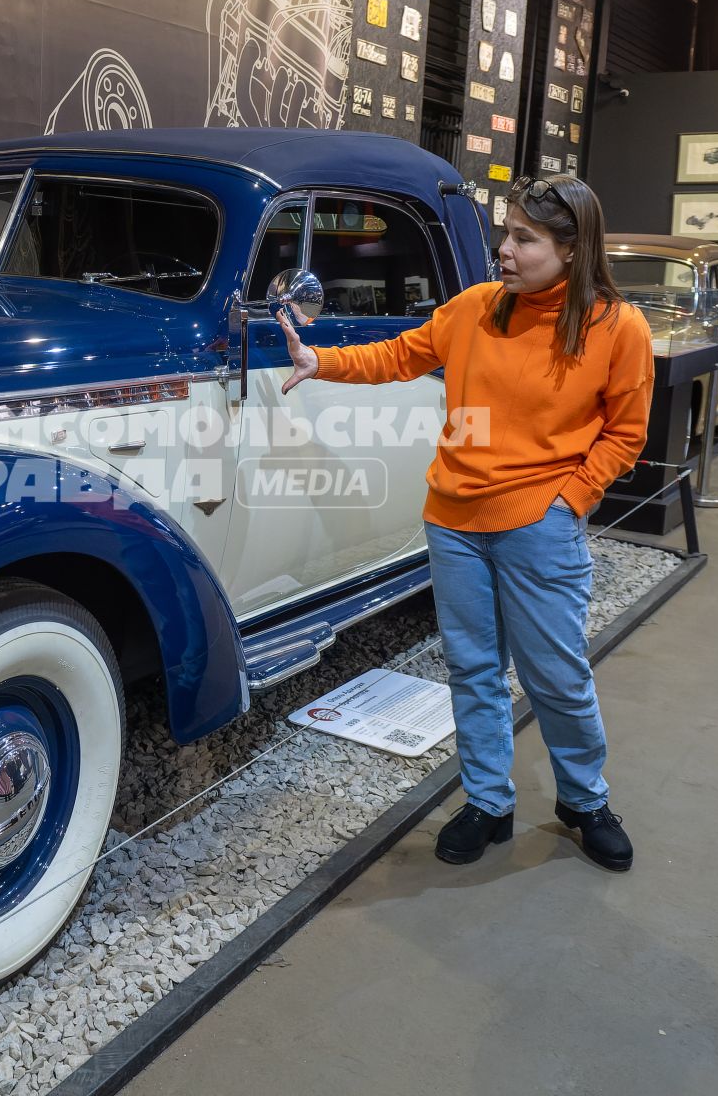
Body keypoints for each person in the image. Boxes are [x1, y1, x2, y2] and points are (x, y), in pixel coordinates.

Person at [277, 175, 651, 871]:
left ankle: (584, 799)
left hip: (539, 526)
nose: (503, 250)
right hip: (453, 522)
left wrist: (570, 499)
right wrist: (319, 360)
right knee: (473, 670)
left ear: (572, 251)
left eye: (523, 239)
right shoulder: (477, 308)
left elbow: (625, 433)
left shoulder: (615, 327)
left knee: (557, 677)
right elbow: (401, 355)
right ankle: (488, 801)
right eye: (506, 234)